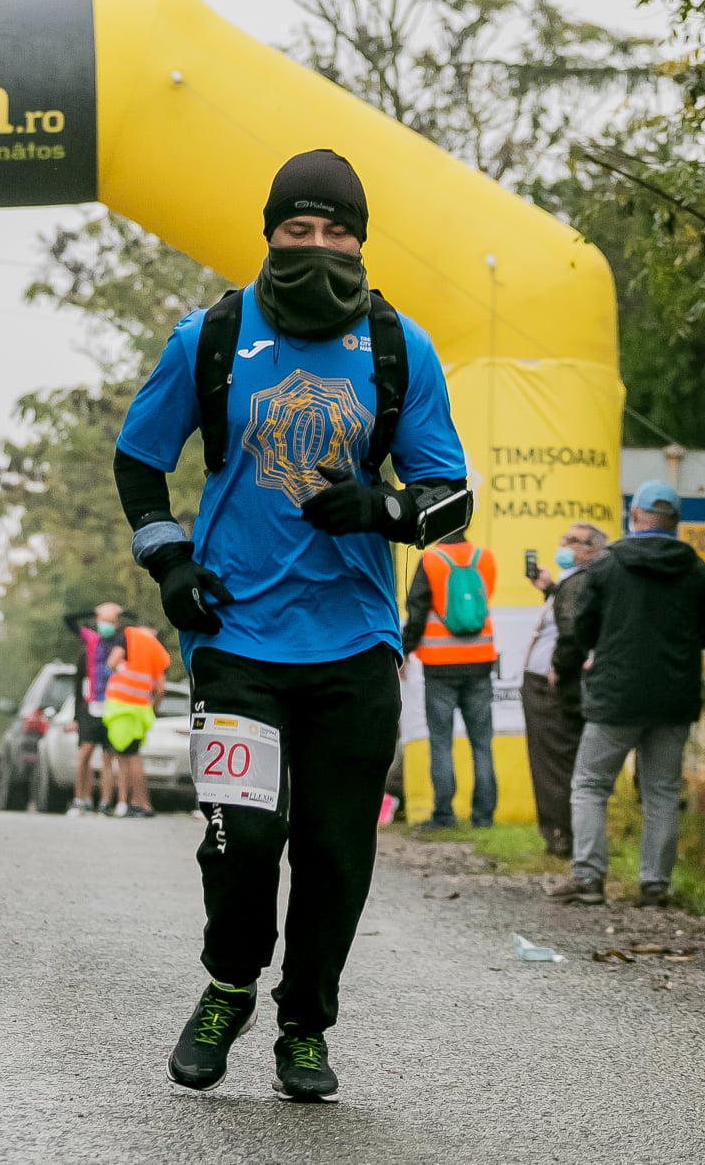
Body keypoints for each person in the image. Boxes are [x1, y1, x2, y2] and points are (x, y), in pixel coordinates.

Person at [114, 149, 470, 1102]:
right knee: (241, 839)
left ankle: (304, 1027)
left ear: (360, 240)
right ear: (268, 232)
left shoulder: (401, 350)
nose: (317, 246)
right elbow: (137, 461)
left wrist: (384, 511)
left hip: (355, 643)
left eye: (336, 231)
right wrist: (170, 560)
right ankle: (228, 985)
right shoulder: (212, 336)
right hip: (235, 640)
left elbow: (452, 500)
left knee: (334, 852)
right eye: (298, 229)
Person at [547, 481, 705, 907]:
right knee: (662, 791)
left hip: (615, 696)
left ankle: (589, 878)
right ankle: (655, 885)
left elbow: (583, 627)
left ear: (634, 517)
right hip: (673, 699)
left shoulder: (607, 566)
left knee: (591, 785)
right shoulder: (697, 570)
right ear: (678, 523)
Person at [519, 522, 607, 856]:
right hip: (552, 686)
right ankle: (563, 834)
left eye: (572, 541)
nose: (563, 544)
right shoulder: (575, 583)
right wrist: (550, 589)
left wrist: (559, 667)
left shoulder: (580, 583)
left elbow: (571, 632)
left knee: (553, 764)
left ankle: (560, 836)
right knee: (558, 761)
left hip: (551, 688)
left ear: (591, 551)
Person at [401, 532, 499, 830]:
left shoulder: (431, 559)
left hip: (440, 664)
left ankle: (444, 815)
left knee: (441, 742)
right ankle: (483, 817)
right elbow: (482, 601)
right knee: (482, 743)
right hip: (480, 659)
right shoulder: (485, 557)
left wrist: (404, 651)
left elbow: (416, 612)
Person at [100, 622, 169, 819]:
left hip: (121, 708)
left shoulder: (129, 637)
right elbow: (160, 689)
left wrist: (122, 670)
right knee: (134, 754)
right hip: (141, 710)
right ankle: (140, 803)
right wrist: (152, 708)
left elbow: (112, 662)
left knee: (127, 757)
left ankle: (139, 803)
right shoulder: (157, 650)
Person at [63, 603, 123, 817]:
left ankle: (106, 803)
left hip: (112, 706)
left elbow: (137, 628)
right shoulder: (91, 640)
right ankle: (81, 800)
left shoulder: (120, 642)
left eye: (109, 622)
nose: (105, 625)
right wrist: (94, 611)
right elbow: (68, 619)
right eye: (102, 621)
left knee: (109, 757)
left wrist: (117, 612)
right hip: (91, 706)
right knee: (85, 753)